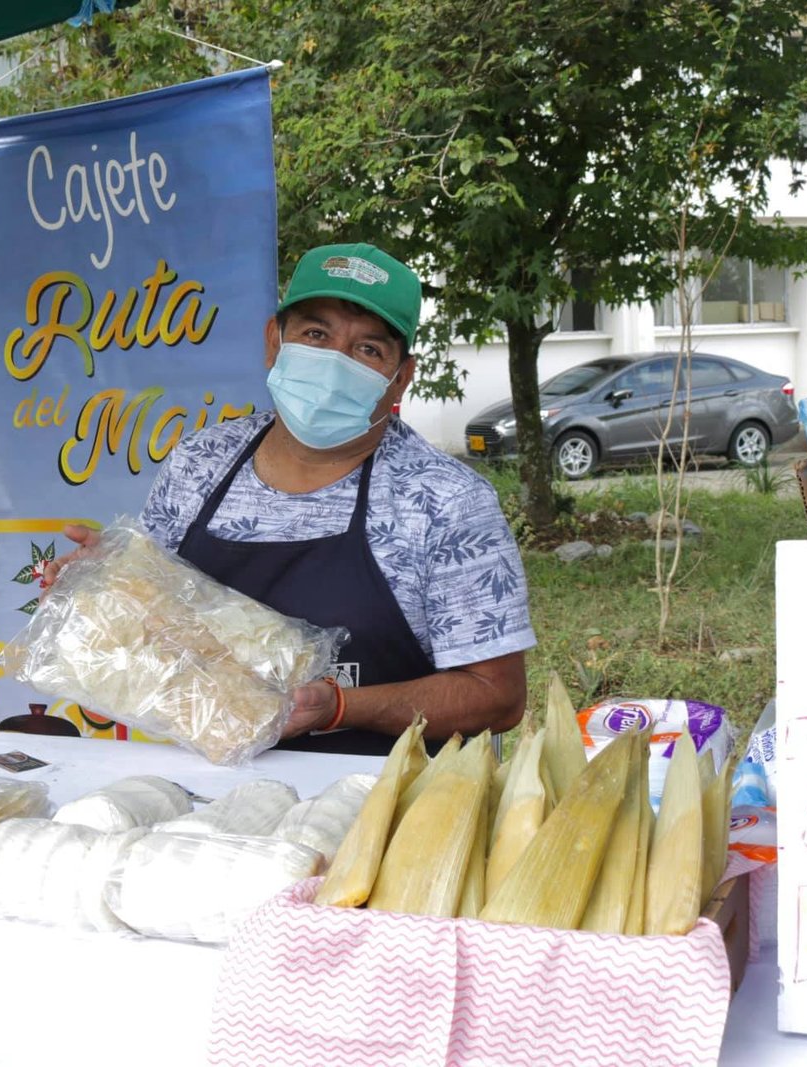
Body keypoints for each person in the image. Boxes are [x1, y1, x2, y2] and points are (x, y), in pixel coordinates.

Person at [48, 243, 534, 755]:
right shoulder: (200, 462)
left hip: (382, 799)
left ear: (400, 380)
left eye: (368, 350)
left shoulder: (445, 502)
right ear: (274, 343)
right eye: (315, 334)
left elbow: (498, 698)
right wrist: (104, 589)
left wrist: (340, 708)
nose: (333, 364)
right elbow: (157, 627)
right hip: (206, 790)